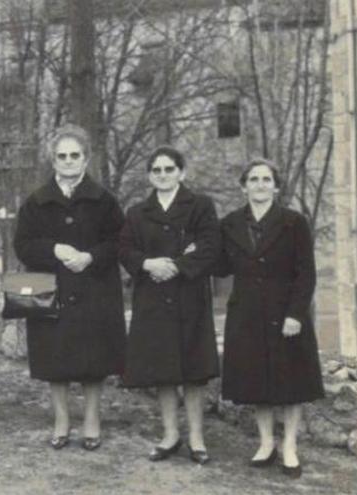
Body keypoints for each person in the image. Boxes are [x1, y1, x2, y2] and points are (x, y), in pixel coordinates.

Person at [13, 124, 126, 451]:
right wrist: (54, 250)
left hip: (94, 289)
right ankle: (61, 420)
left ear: (86, 159)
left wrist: (91, 257)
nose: (68, 161)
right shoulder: (36, 202)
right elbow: (22, 244)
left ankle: (92, 419)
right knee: (54, 359)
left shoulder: (104, 200)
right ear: (53, 160)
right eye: (61, 156)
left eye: (74, 155)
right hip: (51, 289)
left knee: (94, 361)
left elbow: (120, 241)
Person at [215, 159, 323, 478]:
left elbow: (307, 274)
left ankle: (289, 446)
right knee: (256, 381)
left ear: (276, 186)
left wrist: (295, 314)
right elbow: (221, 266)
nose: (260, 184)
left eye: (266, 179)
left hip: (285, 315)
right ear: (243, 186)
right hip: (246, 315)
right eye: (253, 179)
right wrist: (197, 249)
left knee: (292, 383)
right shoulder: (231, 224)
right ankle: (265, 443)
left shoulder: (294, 222)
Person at [118, 146, 220, 464]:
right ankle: (170, 434)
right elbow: (125, 249)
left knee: (193, 372)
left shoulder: (200, 206)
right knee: (163, 371)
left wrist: (175, 265)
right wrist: (148, 264)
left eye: (169, 169)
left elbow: (209, 246)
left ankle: (197, 438)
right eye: (157, 170)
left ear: (182, 173)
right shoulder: (137, 212)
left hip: (190, 300)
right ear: (150, 176)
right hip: (153, 301)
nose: (163, 175)